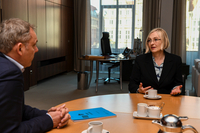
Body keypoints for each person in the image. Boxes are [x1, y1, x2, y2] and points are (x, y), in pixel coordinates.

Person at [0, 18, 71, 133]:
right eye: (34, 45)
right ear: (20, 48)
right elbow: (10, 131)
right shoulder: (10, 73)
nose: (36, 50)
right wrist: (50, 120)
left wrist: (49, 114)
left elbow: (13, 110)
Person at [128, 28, 183, 95]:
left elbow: (178, 84)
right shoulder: (140, 60)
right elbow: (132, 84)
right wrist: (139, 90)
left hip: (167, 101)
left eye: (155, 39)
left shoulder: (175, 60)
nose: (152, 43)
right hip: (146, 101)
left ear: (164, 41)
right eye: (149, 40)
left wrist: (176, 88)